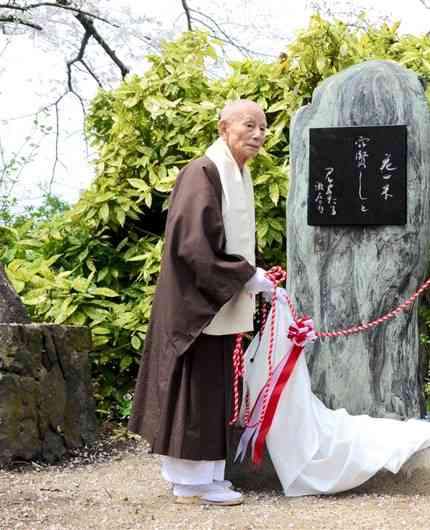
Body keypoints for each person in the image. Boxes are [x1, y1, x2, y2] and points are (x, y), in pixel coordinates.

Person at [128, 100, 275, 506]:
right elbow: (194, 245)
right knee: (196, 389)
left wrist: (249, 275)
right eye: (250, 125)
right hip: (196, 307)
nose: (259, 134)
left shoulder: (237, 174)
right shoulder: (203, 172)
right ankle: (189, 483)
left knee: (215, 390)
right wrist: (246, 274)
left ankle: (209, 475)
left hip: (217, 302)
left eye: (264, 127)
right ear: (223, 127)